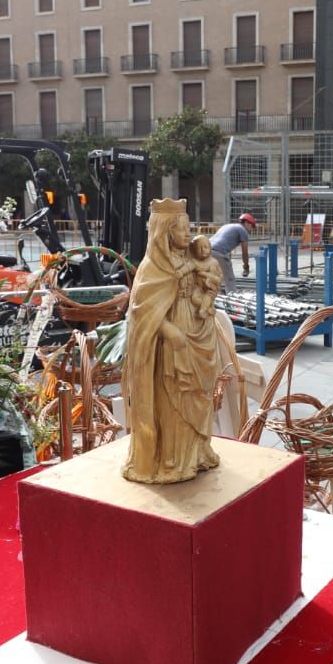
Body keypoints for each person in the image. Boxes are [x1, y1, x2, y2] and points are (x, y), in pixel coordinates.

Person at [121, 199, 222, 484]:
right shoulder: (153, 267)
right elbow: (142, 313)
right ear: (164, 232)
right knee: (175, 395)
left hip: (197, 330)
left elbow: (211, 278)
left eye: (189, 228)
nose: (188, 234)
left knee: (198, 394)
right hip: (172, 341)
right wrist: (168, 330)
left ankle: (197, 453)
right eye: (181, 229)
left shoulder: (192, 259)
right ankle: (173, 460)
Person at [208, 212, 256, 290]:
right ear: (247, 223)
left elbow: (223, 241)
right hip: (218, 252)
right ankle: (232, 297)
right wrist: (246, 266)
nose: (252, 229)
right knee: (229, 279)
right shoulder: (243, 230)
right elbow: (244, 252)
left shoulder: (228, 226)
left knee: (213, 276)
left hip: (207, 250)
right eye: (252, 226)